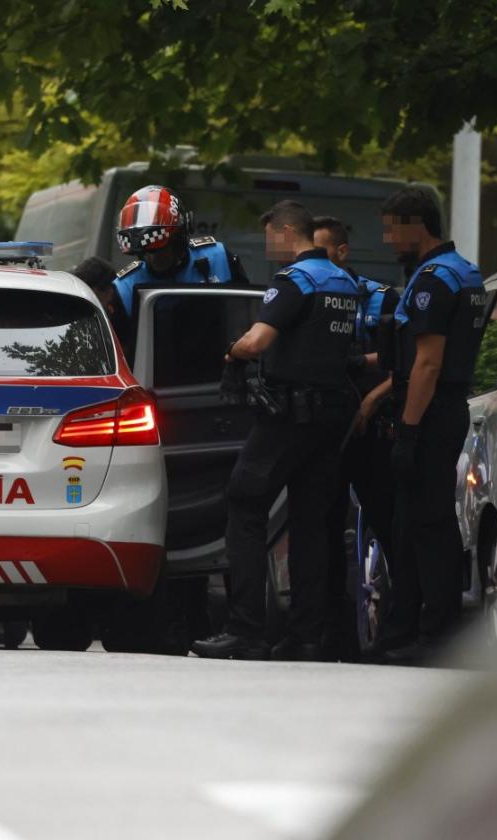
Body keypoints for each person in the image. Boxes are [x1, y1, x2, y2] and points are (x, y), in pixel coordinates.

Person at [191, 200, 362, 662]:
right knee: (310, 523)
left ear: (288, 232)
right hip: (330, 418)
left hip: (288, 415)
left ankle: (245, 629)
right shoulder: (346, 282)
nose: (270, 248)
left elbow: (258, 340)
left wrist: (234, 352)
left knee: (244, 505)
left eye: (271, 237)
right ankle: (307, 635)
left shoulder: (296, 281)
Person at [376, 187, 486, 664]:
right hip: (442, 407)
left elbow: (427, 364)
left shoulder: (433, 281)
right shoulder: (466, 271)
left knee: (429, 524)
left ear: (417, 224)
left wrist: (409, 430)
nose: (387, 239)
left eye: (392, 228)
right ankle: (407, 630)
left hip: (431, 409)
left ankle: (436, 636)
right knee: (413, 523)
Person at [313, 216, 400, 660]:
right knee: (323, 530)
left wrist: (372, 397)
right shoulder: (308, 295)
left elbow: (406, 360)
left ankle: (398, 627)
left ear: (343, 252)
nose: (316, 264)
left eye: (323, 252)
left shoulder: (381, 298)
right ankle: (331, 633)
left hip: (374, 428)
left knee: (388, 525)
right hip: (326, 432)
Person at [109, 184, 248, 339]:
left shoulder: (218, 258)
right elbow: (121, 351)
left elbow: (245, 319)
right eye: (145, 252)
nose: (154, 258)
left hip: (222, 359)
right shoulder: (125, 288)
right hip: (157, 363)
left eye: (160, 249)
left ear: (179, 238)